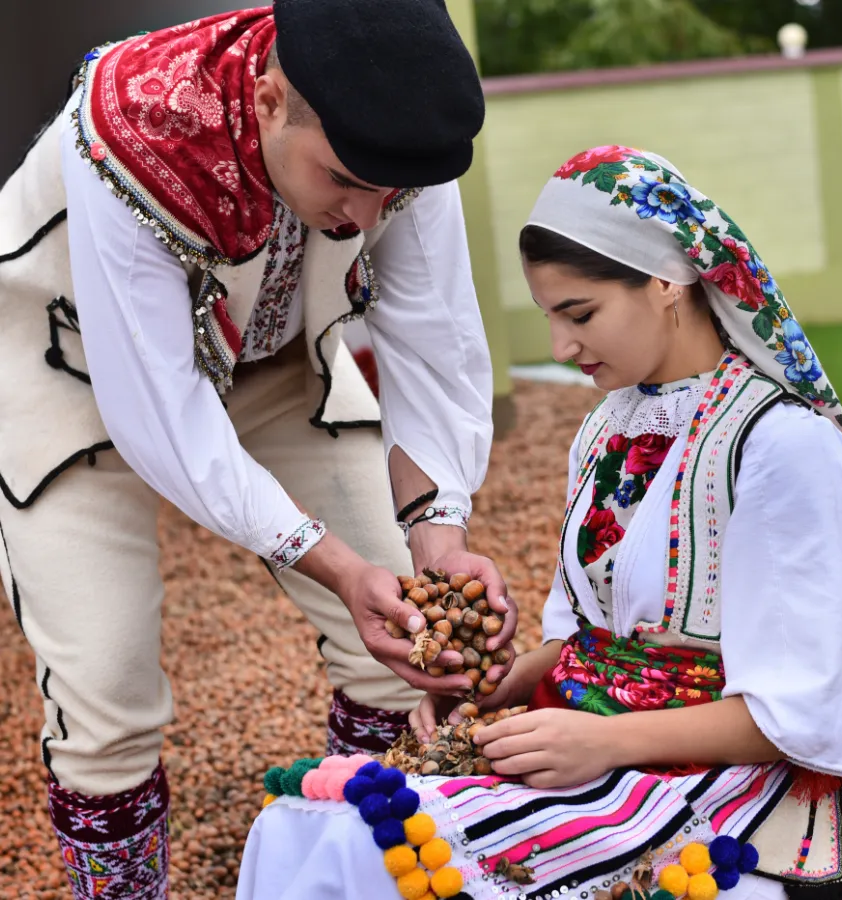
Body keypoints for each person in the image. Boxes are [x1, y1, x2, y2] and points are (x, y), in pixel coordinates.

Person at [235, 146, 842, 900]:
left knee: (358, 842)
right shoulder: (608, 428)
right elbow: (582, 637)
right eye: (549, 317)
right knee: (297, 823)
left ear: (667, 280)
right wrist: (494, 691)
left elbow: (801, 714)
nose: (561, 349)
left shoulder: (784, 448)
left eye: (580, 314)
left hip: (718, 785)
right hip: (587, 733)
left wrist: (603, 742)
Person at [0, 2, 517, 896]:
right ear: (271, 99)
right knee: (106, 689)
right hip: (67, 370)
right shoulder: (134, 124)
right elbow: (161, 411)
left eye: (388, 193)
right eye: (344, 180)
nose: (364, 215)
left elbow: (433, 339)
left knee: (406, 647)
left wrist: (439, 538)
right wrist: (336, 566)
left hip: (275, 363)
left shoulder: (399, 141)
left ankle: (347, 864)